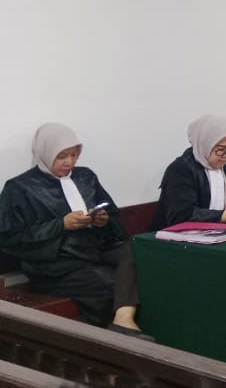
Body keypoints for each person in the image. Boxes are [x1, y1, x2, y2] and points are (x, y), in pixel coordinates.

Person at [0, 123, 149, 338]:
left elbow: (112, 214)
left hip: (94, 248)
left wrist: (102, 220)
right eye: (61, 156)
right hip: (56, 264)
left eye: (74, 155)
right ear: (45, 152)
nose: (69, 162)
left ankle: (122, 321)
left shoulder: (85, 177)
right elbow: (10, 238)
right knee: (109, 282)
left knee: (136, 254)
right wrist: (61, 225)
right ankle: (117, 334)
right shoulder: (20, 188)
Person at [152, 115, 226, 230]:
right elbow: (181, 215)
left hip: (221, 231)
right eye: (220, 149)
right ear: (204, 144)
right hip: (176, 236)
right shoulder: (181, 169)